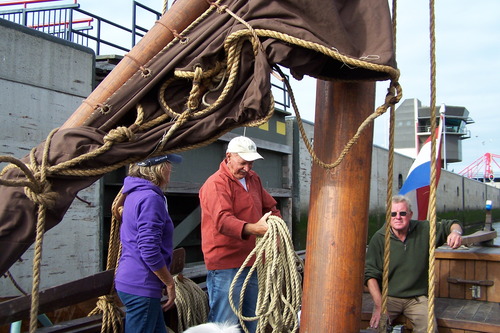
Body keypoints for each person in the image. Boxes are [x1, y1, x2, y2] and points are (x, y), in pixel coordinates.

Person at [199, 136, 281, 333]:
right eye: (243, 162)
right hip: (226, 265)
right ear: (228, 157)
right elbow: (222, 220)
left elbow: (270, 207)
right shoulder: (215, 184)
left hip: (252, 262)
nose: (247, 168)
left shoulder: (253, 179)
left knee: (250, 320)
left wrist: (277, 232)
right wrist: (255, 228)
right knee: (224, 324)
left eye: (251, 163)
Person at [364, 194, 463, 333]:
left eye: (402, 213)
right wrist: (380, 306)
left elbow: (453, 223)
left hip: (417, 298)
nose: (398, 217)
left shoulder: (424, 229)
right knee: (377, 328)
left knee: (429, 329)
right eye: (393, 214)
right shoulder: (379, 238)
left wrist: (456, 232)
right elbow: (370, 275)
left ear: (410, 214)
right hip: (389, 298)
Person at [115, 153, 182, 333]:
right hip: (142, 286)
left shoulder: (134, 193)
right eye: (168, 164)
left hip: (131, 280)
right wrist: (169, 283)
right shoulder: (151, 199)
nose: (171, 169)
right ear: (159, 169)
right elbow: (149, 250)